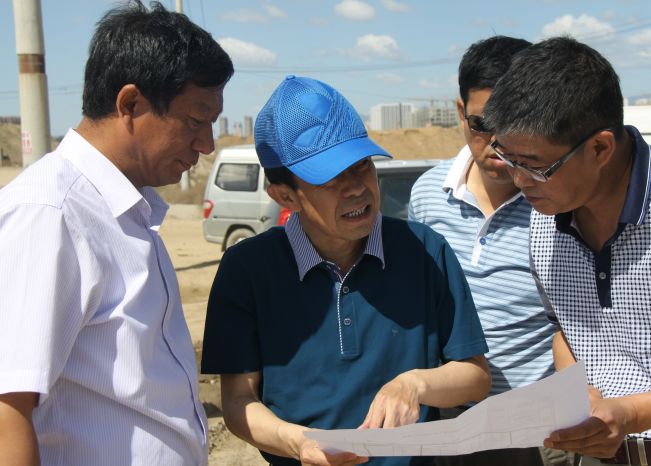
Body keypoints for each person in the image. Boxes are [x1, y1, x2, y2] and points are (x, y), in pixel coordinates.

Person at [201, 75, 491, 466]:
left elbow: (475, 376)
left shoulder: (425, 251)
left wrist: (415, 384)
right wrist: (299, 443)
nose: (356, 188)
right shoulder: (247, 270)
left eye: (362, 166)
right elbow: (238, 401)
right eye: (331, 178)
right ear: (285, 196)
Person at [0, 2, 233, 465]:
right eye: (196, 120)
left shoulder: (127, 212)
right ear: (130, 105)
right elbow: (7, 414)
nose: (206, 145)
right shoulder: (50, 214)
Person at [482, 36, 651, 466]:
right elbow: (565, 329)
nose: (519, 181)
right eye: (508, 159)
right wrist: (579, 397)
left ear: (601, 148)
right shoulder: (545, 217)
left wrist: (631, 413)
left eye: (535, 166)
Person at [409, 36, 571, 466]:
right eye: (482, 124)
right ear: (460, 112)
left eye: (511, 123)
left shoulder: (560, 204)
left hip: (541, 432)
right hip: (453, 424)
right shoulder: (427, 195)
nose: (497, 142)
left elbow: (577, 323)